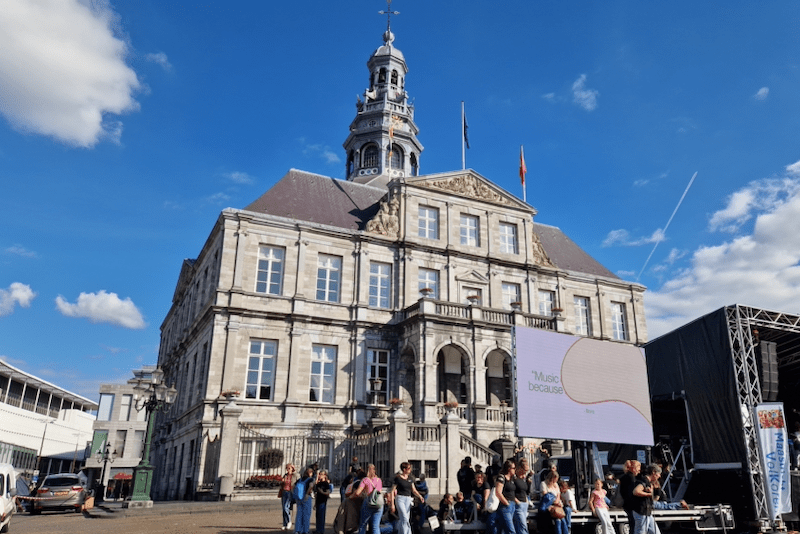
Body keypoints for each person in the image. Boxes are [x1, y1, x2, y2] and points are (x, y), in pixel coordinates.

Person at [390, 462, 425, 534]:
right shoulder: (398, 478)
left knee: (404, 519)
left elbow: (413, 490)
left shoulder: (410, 478)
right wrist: (392, 504)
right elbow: (392, 491)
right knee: (405, 518)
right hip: (400, 498)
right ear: (404, 469)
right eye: (409, 468)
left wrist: (420, 496)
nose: (410, 470)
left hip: (408, 499)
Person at [631, 464, 662, 534]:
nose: (659, 476)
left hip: (647, 512)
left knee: (655, 532)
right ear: (653, 472)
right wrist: (648, 494)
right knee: (641, 532)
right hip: (641, 512)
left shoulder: (649, 483)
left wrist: (656, 490)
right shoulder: (644, 481)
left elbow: (655, 499)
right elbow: (636, 491)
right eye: (658, 474)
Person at [354, 463, 384, 534]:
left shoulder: (365, 480)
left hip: (368, 503)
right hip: (379, 504)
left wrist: (363, 494)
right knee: (375, 526)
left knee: (363, 525)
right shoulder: (379, 480)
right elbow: (379, 491)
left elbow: (357, 493)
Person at [494, 459, 517, 534]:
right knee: (511, 530)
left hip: (512, 505)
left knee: (505, 530)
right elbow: (498, 492)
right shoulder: (501, 477)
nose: (515, 469)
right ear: (509, 469)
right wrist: (506, 503)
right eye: (513, 468)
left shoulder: (512, 479)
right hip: (505, 506)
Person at [619, 459, 641, 533]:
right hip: (631, 505)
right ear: (634, 468)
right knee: (634, 525)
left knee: (632, 524)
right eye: (638, 469)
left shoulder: (624, 477)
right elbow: (631, 493)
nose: (639, 471)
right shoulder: (631, 478)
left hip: (626, 504)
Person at [295, 467, 316, 534]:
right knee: (306, 515)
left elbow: (294, 487)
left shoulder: (300, 480)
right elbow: (311, 486)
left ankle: (298, 530)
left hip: (299, 498)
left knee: (299, 514)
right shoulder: (311, 479)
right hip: (306, 498)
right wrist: (307, 493)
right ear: (310, 473)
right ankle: (305, 530)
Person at [513, 462, 530, 534]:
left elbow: (525, 491)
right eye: (524, 471)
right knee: (523, 526)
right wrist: (517, 502)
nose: (525, 473)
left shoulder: (523, 479)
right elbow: (510, 492)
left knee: (520, 526)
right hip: (518, 505)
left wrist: (526, 501)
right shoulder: (514, 479)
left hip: (524, 504)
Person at [281, 463, 299, 531]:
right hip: (284, 492)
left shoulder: (294, 475)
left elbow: (299, 478)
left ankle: (289, 521)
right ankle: (284, 524)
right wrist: (282, 481)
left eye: (289, 468)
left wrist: (294, 470)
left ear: (292, 469)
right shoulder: (285, 475)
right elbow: (282, 483)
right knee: (284, 509)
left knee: (286, 507)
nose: (288, 470)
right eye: (287, 468)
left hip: (290, 492)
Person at [315, 470, 332, 534]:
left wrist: (321, 491)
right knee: (317, 515)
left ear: (325, 475)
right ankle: (317, 529)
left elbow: (327, 492)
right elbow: (316, 492)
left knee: (321, 515)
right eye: (319, 474)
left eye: (321, 474)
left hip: (323, 501)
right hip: (318, 500)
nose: (320, 475)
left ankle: (321, 530)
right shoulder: (318, 483)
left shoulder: (326, 483)